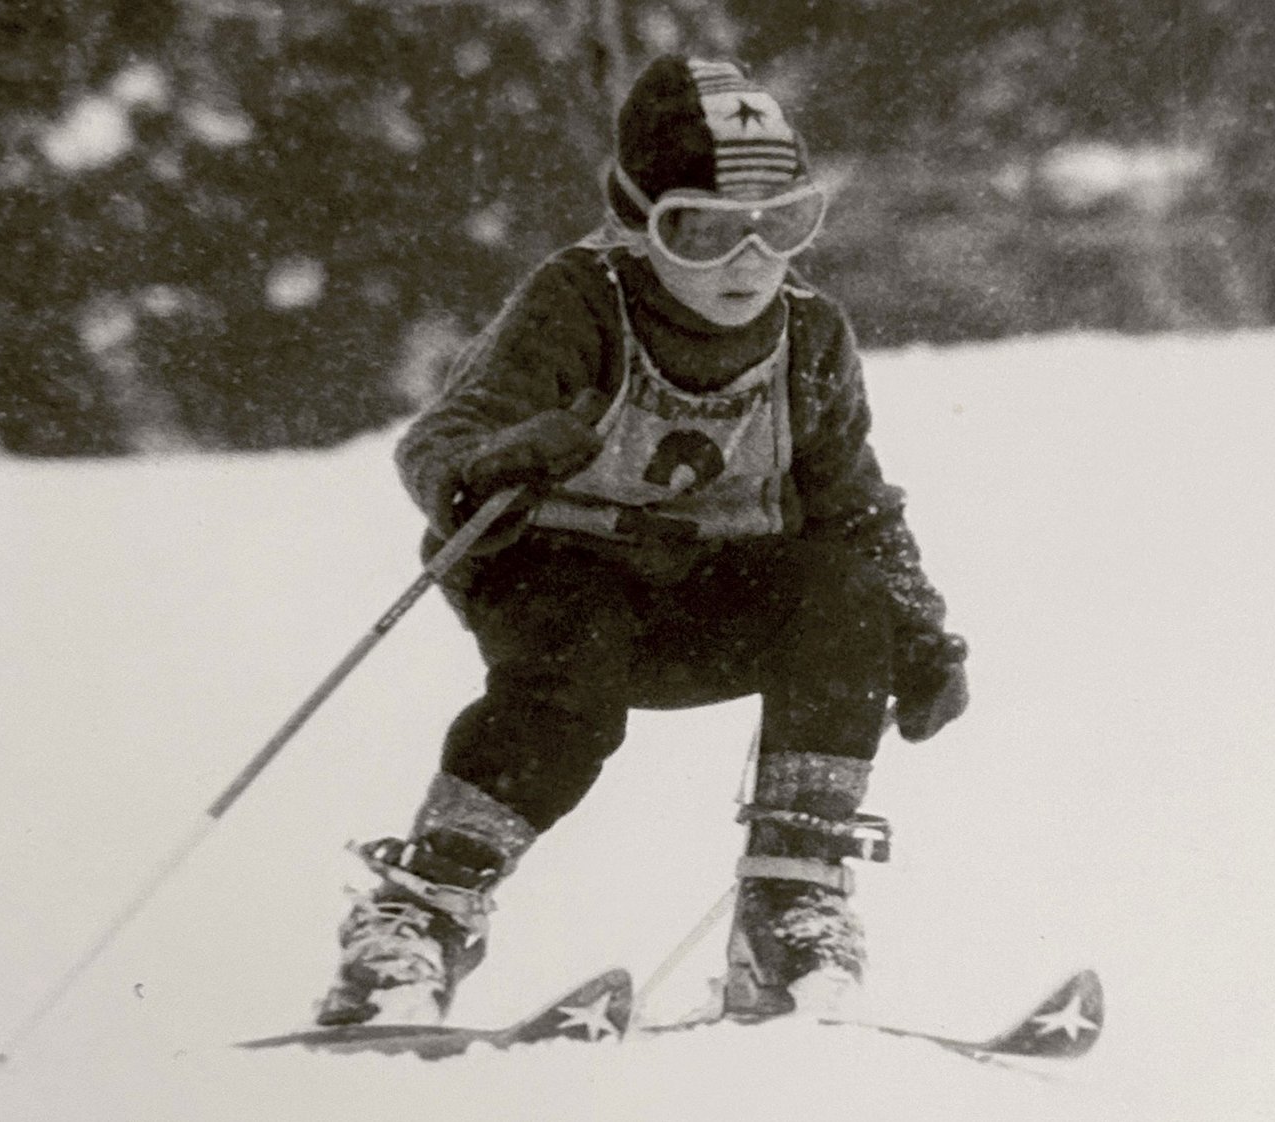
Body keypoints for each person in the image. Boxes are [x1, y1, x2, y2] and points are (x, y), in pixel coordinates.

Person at [315, 55, 969, 1028]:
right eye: (701, 232)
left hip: (705, 599)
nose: (748, 262)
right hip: (553, 577)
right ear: (635, 219)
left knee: (840, 592)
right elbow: (438, 442)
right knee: (568, 688)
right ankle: (416, 924)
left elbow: (851, 504)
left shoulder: (811, 334)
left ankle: (786, 915)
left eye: (781, 224)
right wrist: (492, 465)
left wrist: (916, 632)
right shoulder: (582, 302)